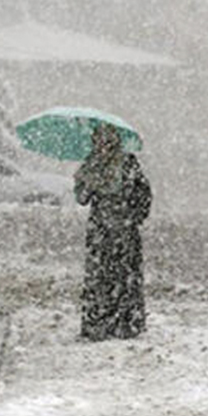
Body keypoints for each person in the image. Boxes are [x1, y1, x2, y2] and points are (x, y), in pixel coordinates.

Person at [74, 123, 152, 341]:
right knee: (100, 276)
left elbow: (143, 193)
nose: (103, 145)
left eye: (108, 141)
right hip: (100, 231)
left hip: (124, 229)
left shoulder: (127, 163)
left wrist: (133, 216)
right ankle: (98, 324)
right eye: (99, 140)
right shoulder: (91, 165)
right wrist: (85, 183)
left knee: (124, 275)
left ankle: (126, 324)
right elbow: (81, 199)